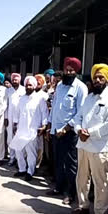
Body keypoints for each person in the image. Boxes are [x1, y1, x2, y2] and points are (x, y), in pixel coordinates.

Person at [47, 57, 88, 205]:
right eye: (67, 69)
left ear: (76, 72)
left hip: (69, 132)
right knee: (57, 162)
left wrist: (66, 128)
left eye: (72, 70)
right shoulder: (59, 86)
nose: (69, 72)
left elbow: (80, 112)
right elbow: (55, 107)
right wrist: (50, 126)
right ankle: (58, 187)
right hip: (56, 131)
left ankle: (70, 194)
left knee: (71, 164)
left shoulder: (81, 87)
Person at [71, 64, 108, 214]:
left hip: (99, 147)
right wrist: (79, 130)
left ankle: (100, 210)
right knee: (81, 178)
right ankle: (83, 206)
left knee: (100, 182)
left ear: (107, 79)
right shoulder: (89, 98)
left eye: (101, 77)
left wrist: (90, 133)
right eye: (95, 78)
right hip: (83, 144)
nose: (97, 80)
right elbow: (78, 117)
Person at [10, 76, 48, 181]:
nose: (28, 86)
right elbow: (17, 112)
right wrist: (15, 124)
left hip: (32, 130)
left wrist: (44, 126)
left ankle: (30, 172)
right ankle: (22, 169)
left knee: (31, 152)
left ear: (34, 86)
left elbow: (45, 113)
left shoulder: (40, 99)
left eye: (30, 85)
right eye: (26, 85)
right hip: (21, 129)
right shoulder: (22, 98)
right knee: (18, 149)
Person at [5, 73, 25, 166]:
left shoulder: (24, 90)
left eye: (16, 80)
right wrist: (5, 118)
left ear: (19, 80)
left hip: (20, 118)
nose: (14, 81)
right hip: (10, 117)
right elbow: (6, 105)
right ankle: (12, 158)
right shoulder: (9, 91)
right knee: (10, 139)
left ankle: (19, 159)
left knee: (19, 138)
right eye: (13, 80)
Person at [34, 74, 49, 169]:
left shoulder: (44, 95)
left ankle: (37, 165)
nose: (37, 84)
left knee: (39, 147)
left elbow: (45, 112)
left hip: (40, 125)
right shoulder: (29, 94)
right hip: (30, 124)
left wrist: (44, 125)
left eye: (39, 83)